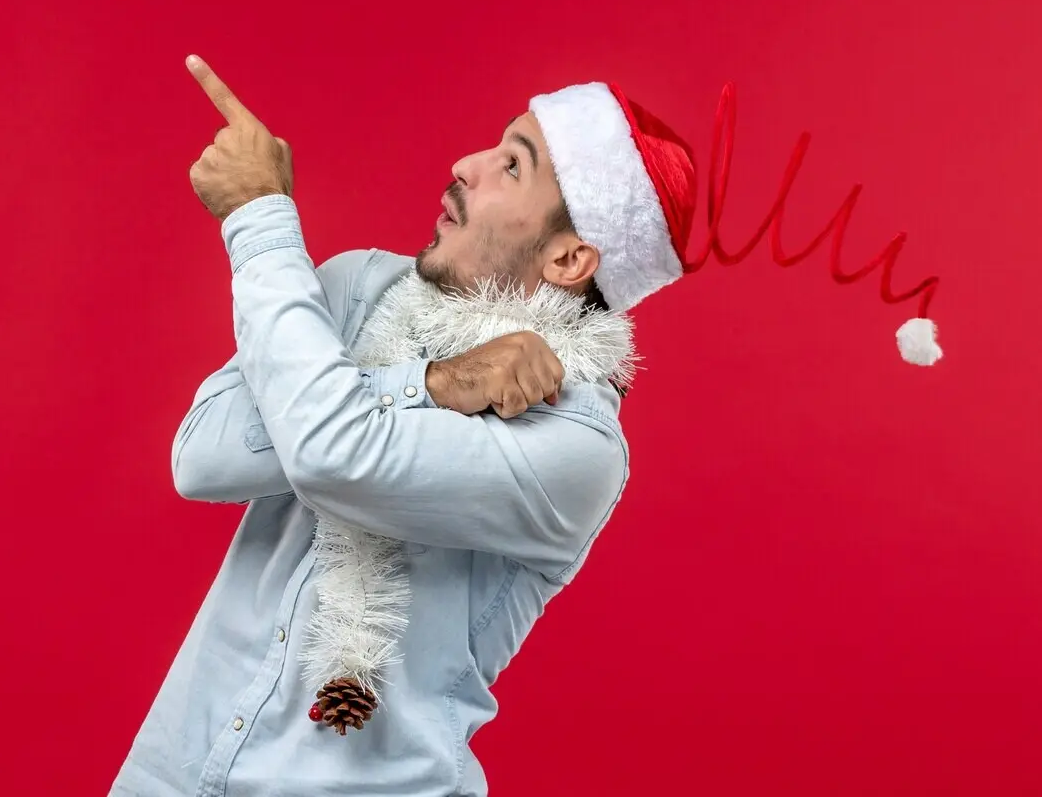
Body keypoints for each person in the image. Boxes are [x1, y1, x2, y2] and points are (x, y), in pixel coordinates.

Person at [108, 56, 942, 797]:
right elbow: (202, 457)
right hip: (170, 773)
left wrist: (259, 221)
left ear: (571, 260)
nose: (465, 166)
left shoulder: (573, 446)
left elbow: (332, 453)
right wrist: (432, 381)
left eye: (513, 164)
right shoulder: (358, 286)